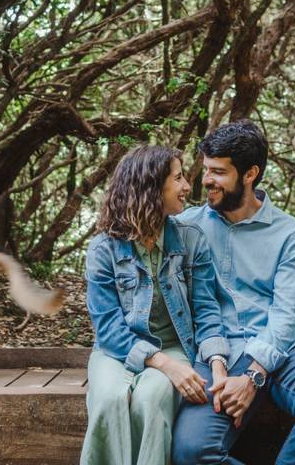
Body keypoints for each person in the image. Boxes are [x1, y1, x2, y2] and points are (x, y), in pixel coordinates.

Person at [172, 120, 295, 465]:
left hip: (284, 346)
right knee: (191, 451)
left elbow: (286, 315)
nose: (205, 180)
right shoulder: (187, 226)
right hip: (217, 353)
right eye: (206, 169)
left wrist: (253, 377)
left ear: (250, 173)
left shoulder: (289, 233)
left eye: (218, 172)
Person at [81, 144, 230, 465]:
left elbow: (206, 309)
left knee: (151, 397)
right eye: (178, 178)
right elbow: (108, 328)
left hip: (175, 346)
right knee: (108, 400)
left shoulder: (191, 240)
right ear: (150, 187)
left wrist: (217, 361)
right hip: (117, 351)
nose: (188, 186)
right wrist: (162, 364)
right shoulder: (103, 249)